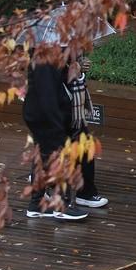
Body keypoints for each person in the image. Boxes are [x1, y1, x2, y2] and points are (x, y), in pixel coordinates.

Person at [23, 50, 87, 220]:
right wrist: (56, 123)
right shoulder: (45, 61)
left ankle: (37, 204)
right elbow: (47, 96)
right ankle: (61, 206)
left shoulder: (49, 57)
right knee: (57, 154)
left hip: (40, 114)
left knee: (42, 156)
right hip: (46, 116)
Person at [66, 57, 108, 208]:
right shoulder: (50, 50)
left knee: (85, 147)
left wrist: (80, 70)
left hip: (74, 108)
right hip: (58, 106)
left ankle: (85, 192)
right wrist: (76, 68)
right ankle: (43, 188)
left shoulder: (71, 48)